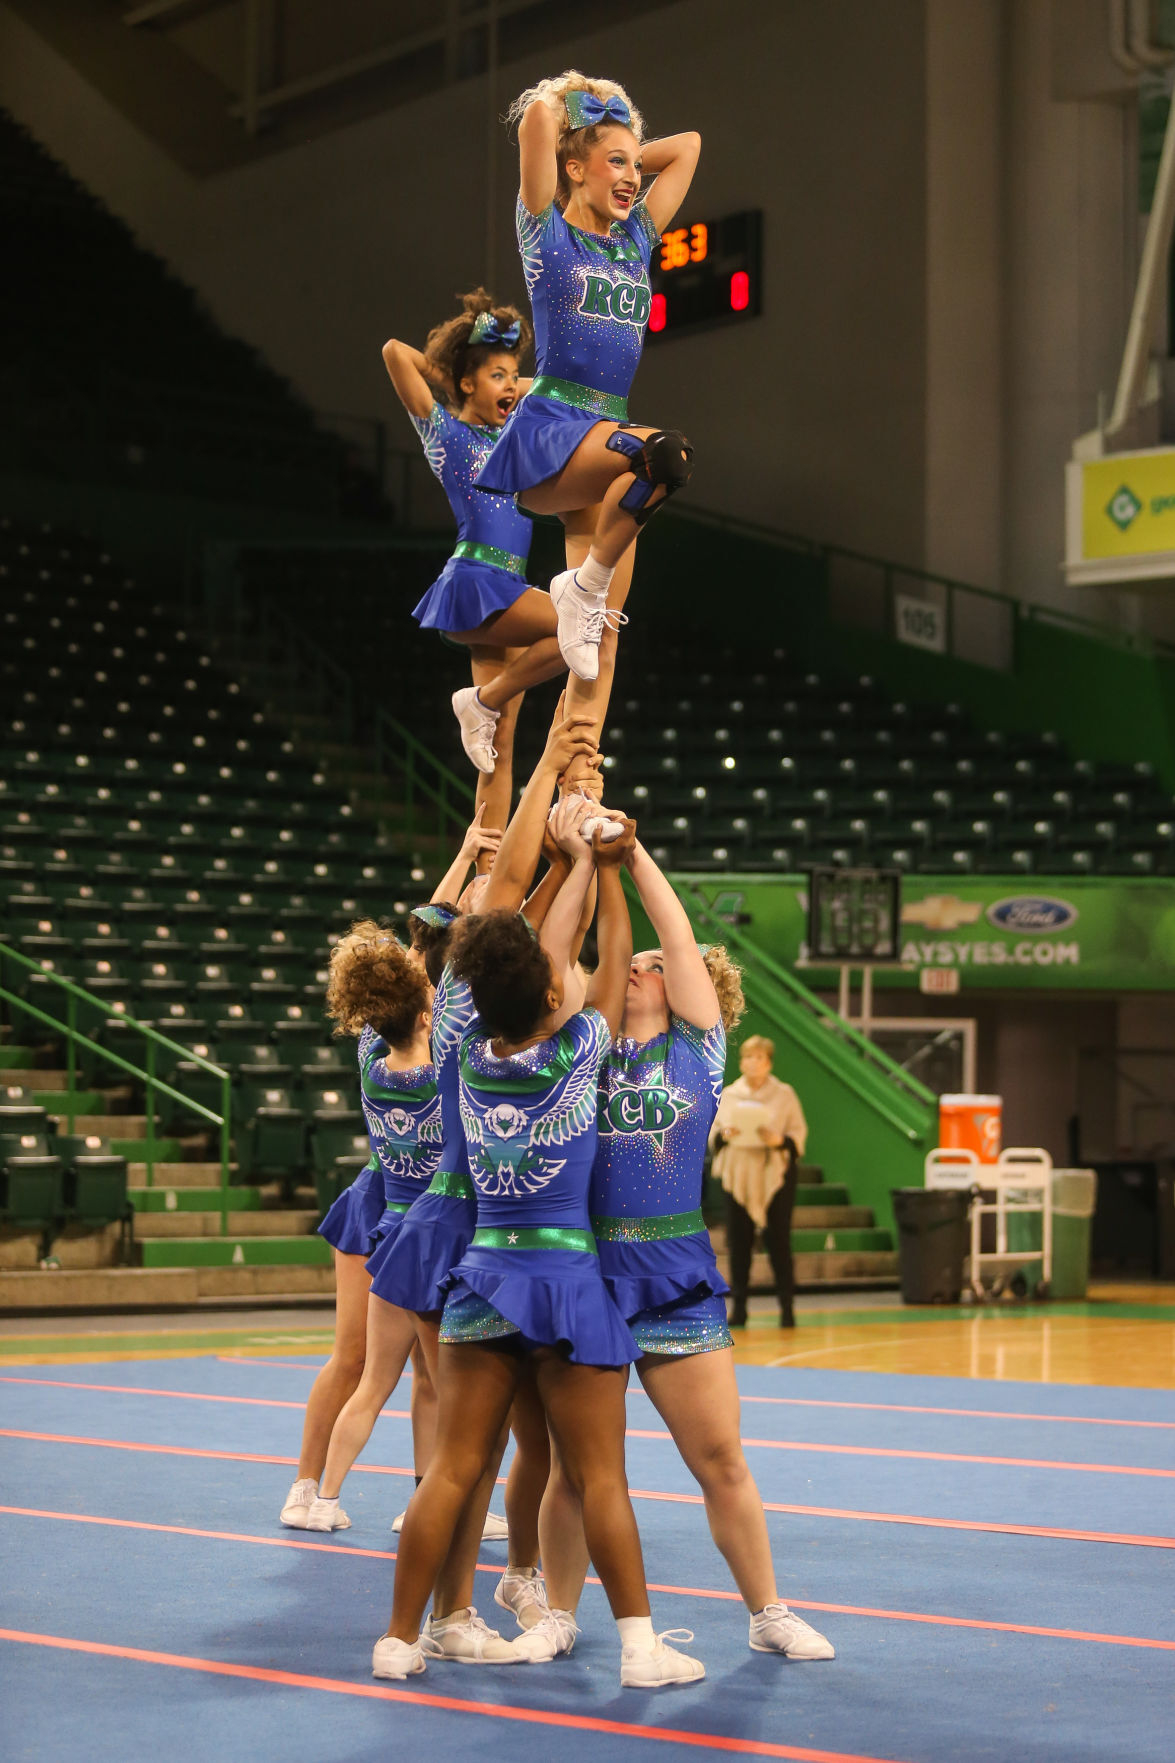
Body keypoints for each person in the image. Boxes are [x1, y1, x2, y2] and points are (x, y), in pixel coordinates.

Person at [372, 821, 705, 1689]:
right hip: (565, 1280)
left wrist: (551, 867)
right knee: (600, 1477)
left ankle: (402, 1637)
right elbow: (615, 948)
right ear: (552, 988)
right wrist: (601, 868)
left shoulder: (462, 1055)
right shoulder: (581, 1050)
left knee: (452, 1467)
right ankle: (639, 1648)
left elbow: (472, 962)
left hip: (482, 1281)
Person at [536, 839, 835, 1664]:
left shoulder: (698, 1049)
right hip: (588, 1276)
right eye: (630, 959)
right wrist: (580, 864)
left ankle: (766, 1609)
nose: (639, 964)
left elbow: (667, 926)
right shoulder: (584, 1044)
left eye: (656, 962)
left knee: (719, 1457)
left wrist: (629, 855)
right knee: (573, 1469)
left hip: (673, 1276)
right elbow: (572, 952)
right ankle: (557, 1613)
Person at [476, 73, 701, 784]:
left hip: (600, 439)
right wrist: (585, 98)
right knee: (661, 455)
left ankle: (570, 765)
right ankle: (585, 581)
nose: (634, 178)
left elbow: (688, 148)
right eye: (615, 164)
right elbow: (537, 121)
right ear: (572, 168)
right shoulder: (546, 228)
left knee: (598, 630)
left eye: (637, 166)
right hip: (554, 430)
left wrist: (621, 143)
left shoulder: (634, 239)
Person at [382, 290, 569, 827]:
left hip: (505, 586)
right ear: (466, 384)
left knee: (500, 744)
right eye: (498, 376)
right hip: (475, 582)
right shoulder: (447, 433)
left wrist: (502, 379)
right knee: (578, 629)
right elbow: (396, 351)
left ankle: (485, 877)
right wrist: (458, 374)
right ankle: (482, 700)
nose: (512, 385)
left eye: (514, 374)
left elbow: (547, 390)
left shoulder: (510, 436)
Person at [279, 924, 435, 1532]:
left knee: (401, 1376)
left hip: (404, 1217)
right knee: (359, 1358)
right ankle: (307, 1485)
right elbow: (413, 969)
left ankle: (411, 1492)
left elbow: (398, 981)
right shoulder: (441, 1062)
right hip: (406, 1216)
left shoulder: (374, 1054)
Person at [710, 1036, 808, 1331]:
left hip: (773, 1173)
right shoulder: (729, 1094)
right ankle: (739, 1307)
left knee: (779, 1241)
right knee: (739, 1243)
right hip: (738, 1172)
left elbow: (797, 1134)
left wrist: (780, 1140)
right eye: (747, 1057)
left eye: (759, 1058)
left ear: (769, 1063)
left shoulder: (784, 1094)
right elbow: (713, 1133)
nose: (752, 1063)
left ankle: (787, 1308)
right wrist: (726, 1133)